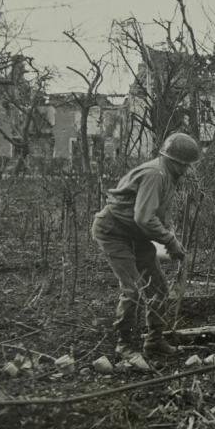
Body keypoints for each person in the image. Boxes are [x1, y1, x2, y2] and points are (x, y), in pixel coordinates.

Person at [91, 132, 200, 358]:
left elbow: (158, 216)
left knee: (158, 286)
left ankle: (154, 341)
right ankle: (124, 346)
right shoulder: (155, 174)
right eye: (184, 165)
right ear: (173, 161)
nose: (187, 170)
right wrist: (169, 240)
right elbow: (144, 218)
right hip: (114, 231)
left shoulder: (168, 177)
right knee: (132, 288)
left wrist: (170, 241)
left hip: (135, 234)